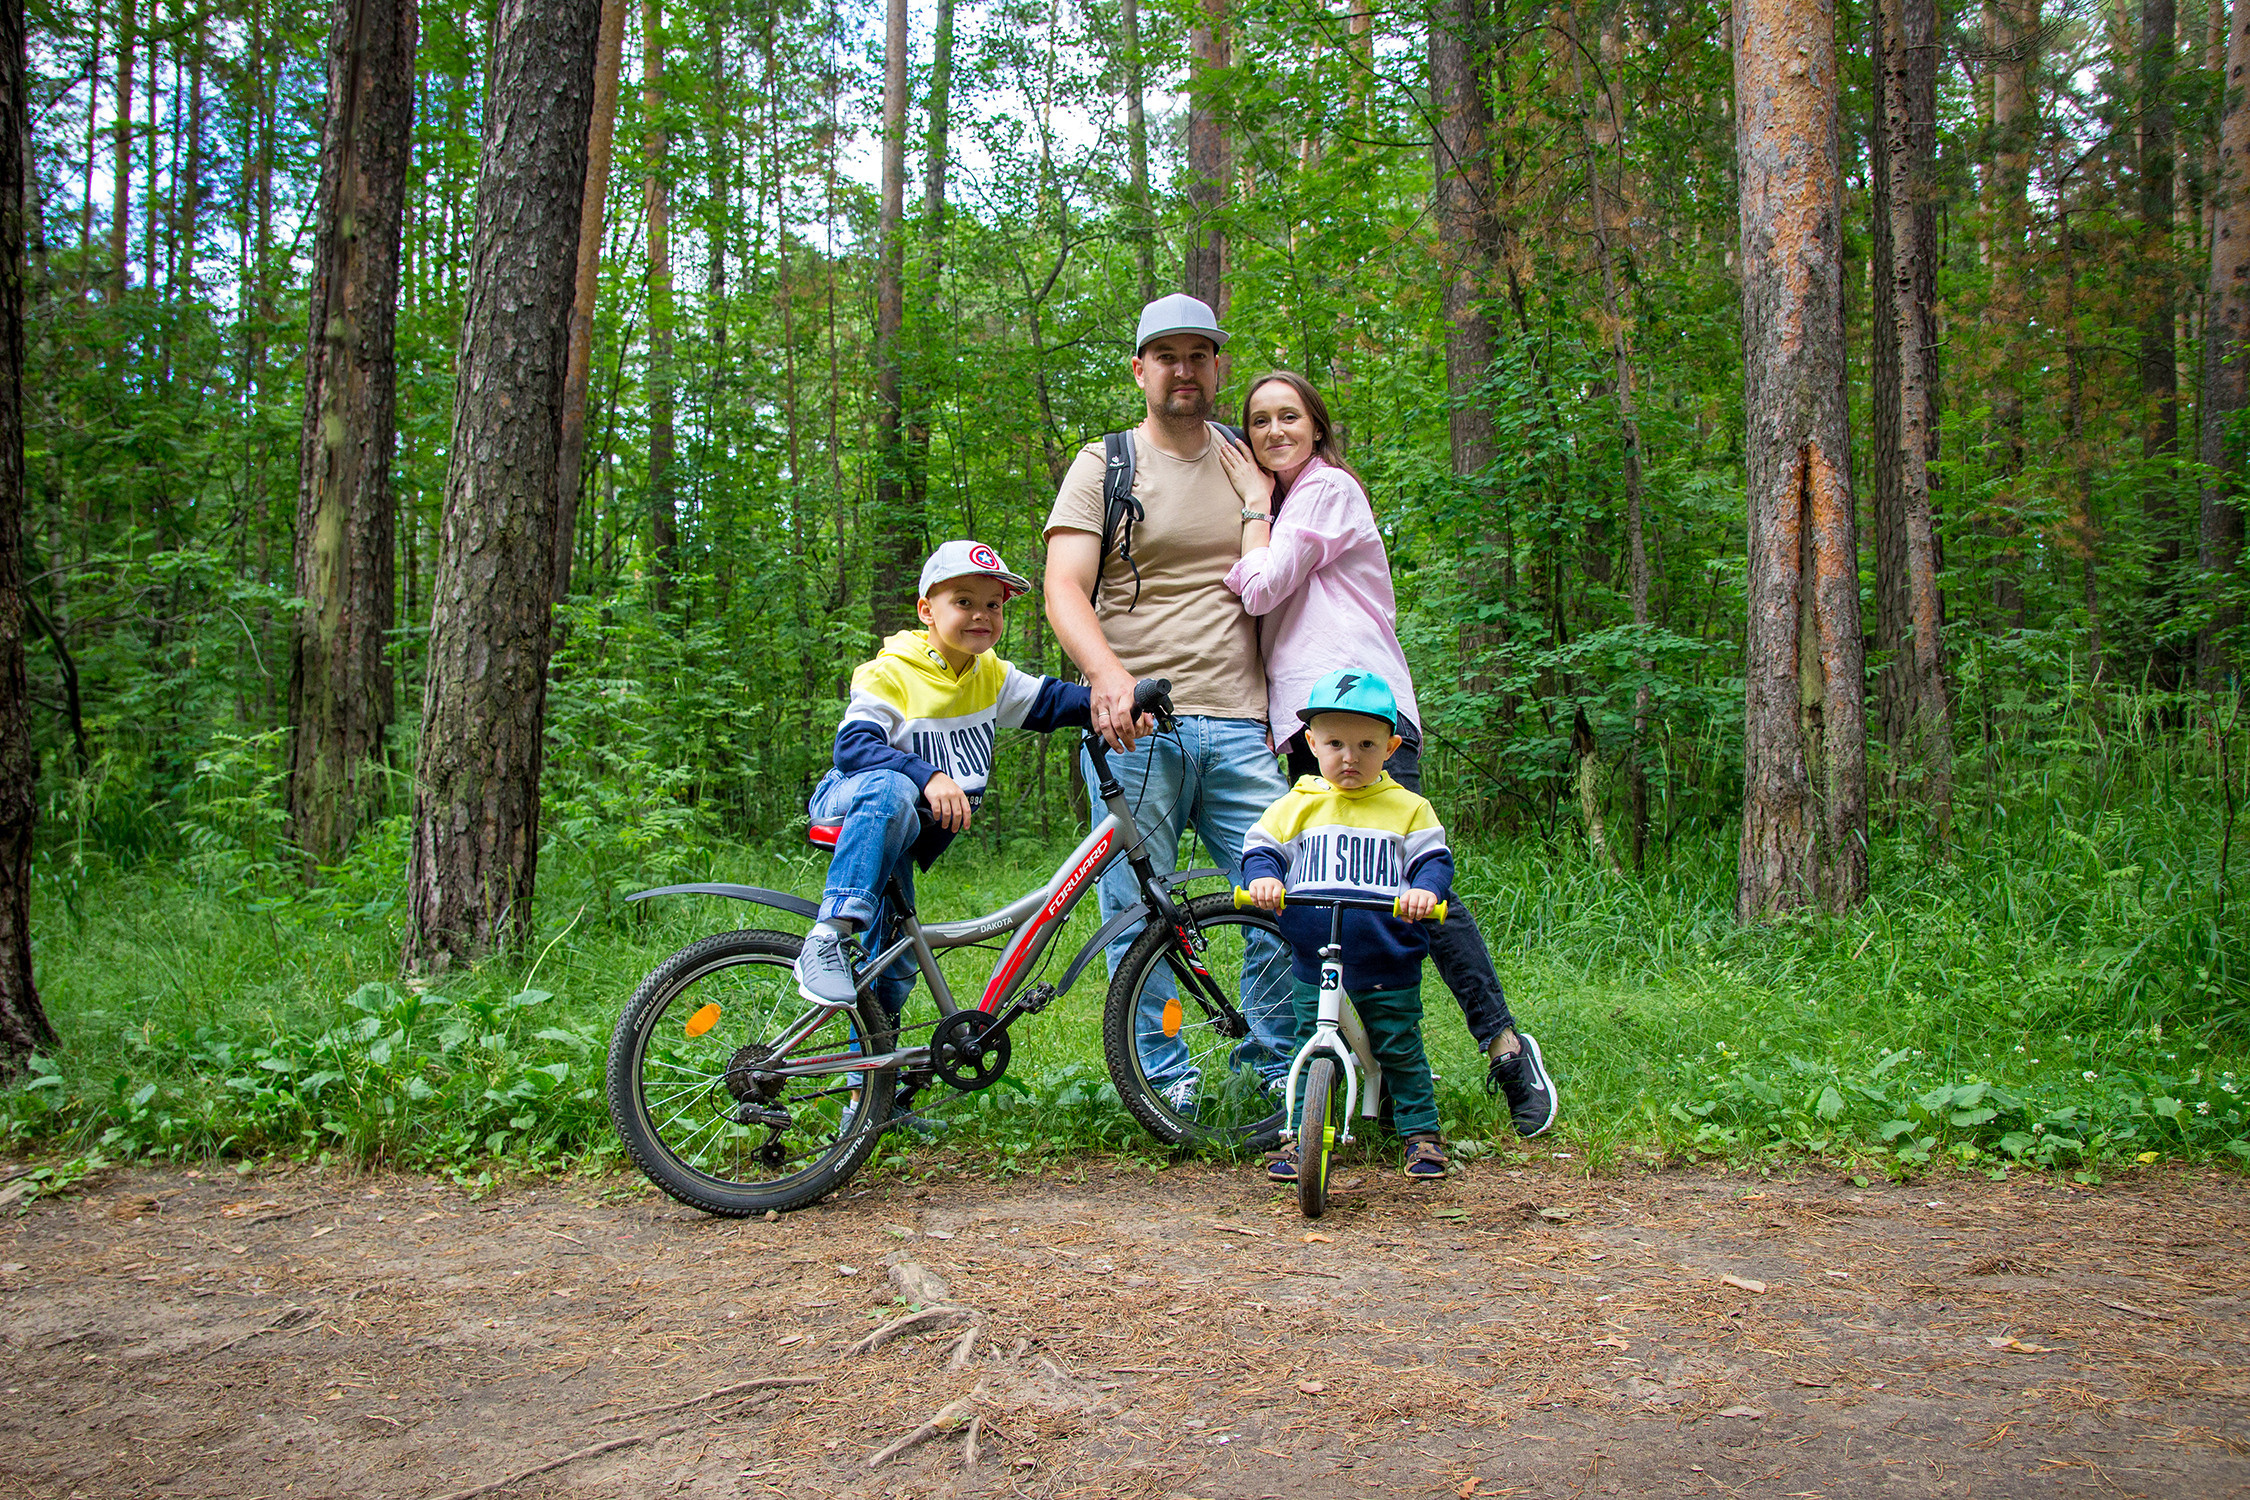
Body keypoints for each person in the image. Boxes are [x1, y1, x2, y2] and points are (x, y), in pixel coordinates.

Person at [1223, 370, 1558, 1138]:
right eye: (1260, 421)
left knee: (1409, 887)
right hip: (1307, 725)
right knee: (1332, 895)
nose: (1275, 431)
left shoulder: (1326, 490)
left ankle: (1506, 1047)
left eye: (1290, 417)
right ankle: (1366, 1075)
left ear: (1317, 425)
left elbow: (1263, 589)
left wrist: (1247, 522)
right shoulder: (1284, 503)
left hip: (1368, 712)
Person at [1042, 294, 1296, 1108]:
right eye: (1167, 355)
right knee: (1135, 914)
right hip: (1137, 724)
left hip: (1239, 719)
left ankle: (1269, 1074)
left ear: (1218, 365)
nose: (1183, 370)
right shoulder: (1105, 464)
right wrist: (1107, 677)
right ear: (1140, 368)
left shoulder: (1252, 459)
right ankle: (1164, 1082)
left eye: (1199, 354)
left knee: (1280, 891)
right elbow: (1063, 589)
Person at [793, 540, 1092, 1021]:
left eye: (993, 605)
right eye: (964, 602)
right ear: (926, 610)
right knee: (893, 786)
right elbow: (853, 749)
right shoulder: (892, 669)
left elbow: (1054, 701)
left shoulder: (987, 673)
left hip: (900, 828)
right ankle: (828, 935)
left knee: (895, 964)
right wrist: (928, 775)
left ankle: (869, 1088)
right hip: (853, 801)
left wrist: (1117, 699)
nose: (982, 616)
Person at [1241, 670, 1453, 1178]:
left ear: (1391, 746)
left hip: (1387, 951)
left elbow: (1434, 859)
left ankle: (1421, 1132)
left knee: (1398, 1041)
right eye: (1335, 743)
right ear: (1311, 743)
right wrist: (1265, 879)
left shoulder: (1408, 808)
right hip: (1313, 956)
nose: (1350, 757)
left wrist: (1425, 890)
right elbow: (1261, 847)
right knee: (1308, 1043)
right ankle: (1300, 1137)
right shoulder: (1298, 804)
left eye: (1366, 744)